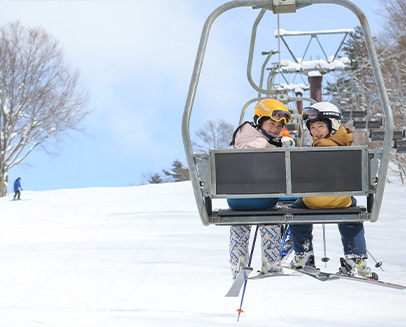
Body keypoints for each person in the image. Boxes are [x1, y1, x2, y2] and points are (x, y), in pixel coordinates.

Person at [289, 102, 373, 278]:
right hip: (341, 202)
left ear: (332, 125)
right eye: (312, 127)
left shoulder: (317, 148)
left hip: (312, 202)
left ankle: (303, 254)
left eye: (320, 125)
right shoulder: (347, 146)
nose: (316, 131)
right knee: (352, 210)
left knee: (295, 210)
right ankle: (355, 257)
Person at [228, 99, 293, 279]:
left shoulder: (242, 136)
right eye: (271, 123)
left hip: (236, 201)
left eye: (279, 126)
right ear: (259, 120)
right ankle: (272, 263)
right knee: (271, 218)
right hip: (265, 200)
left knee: (239, 223)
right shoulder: (260, 142)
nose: (275, 129)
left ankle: (237, 264)